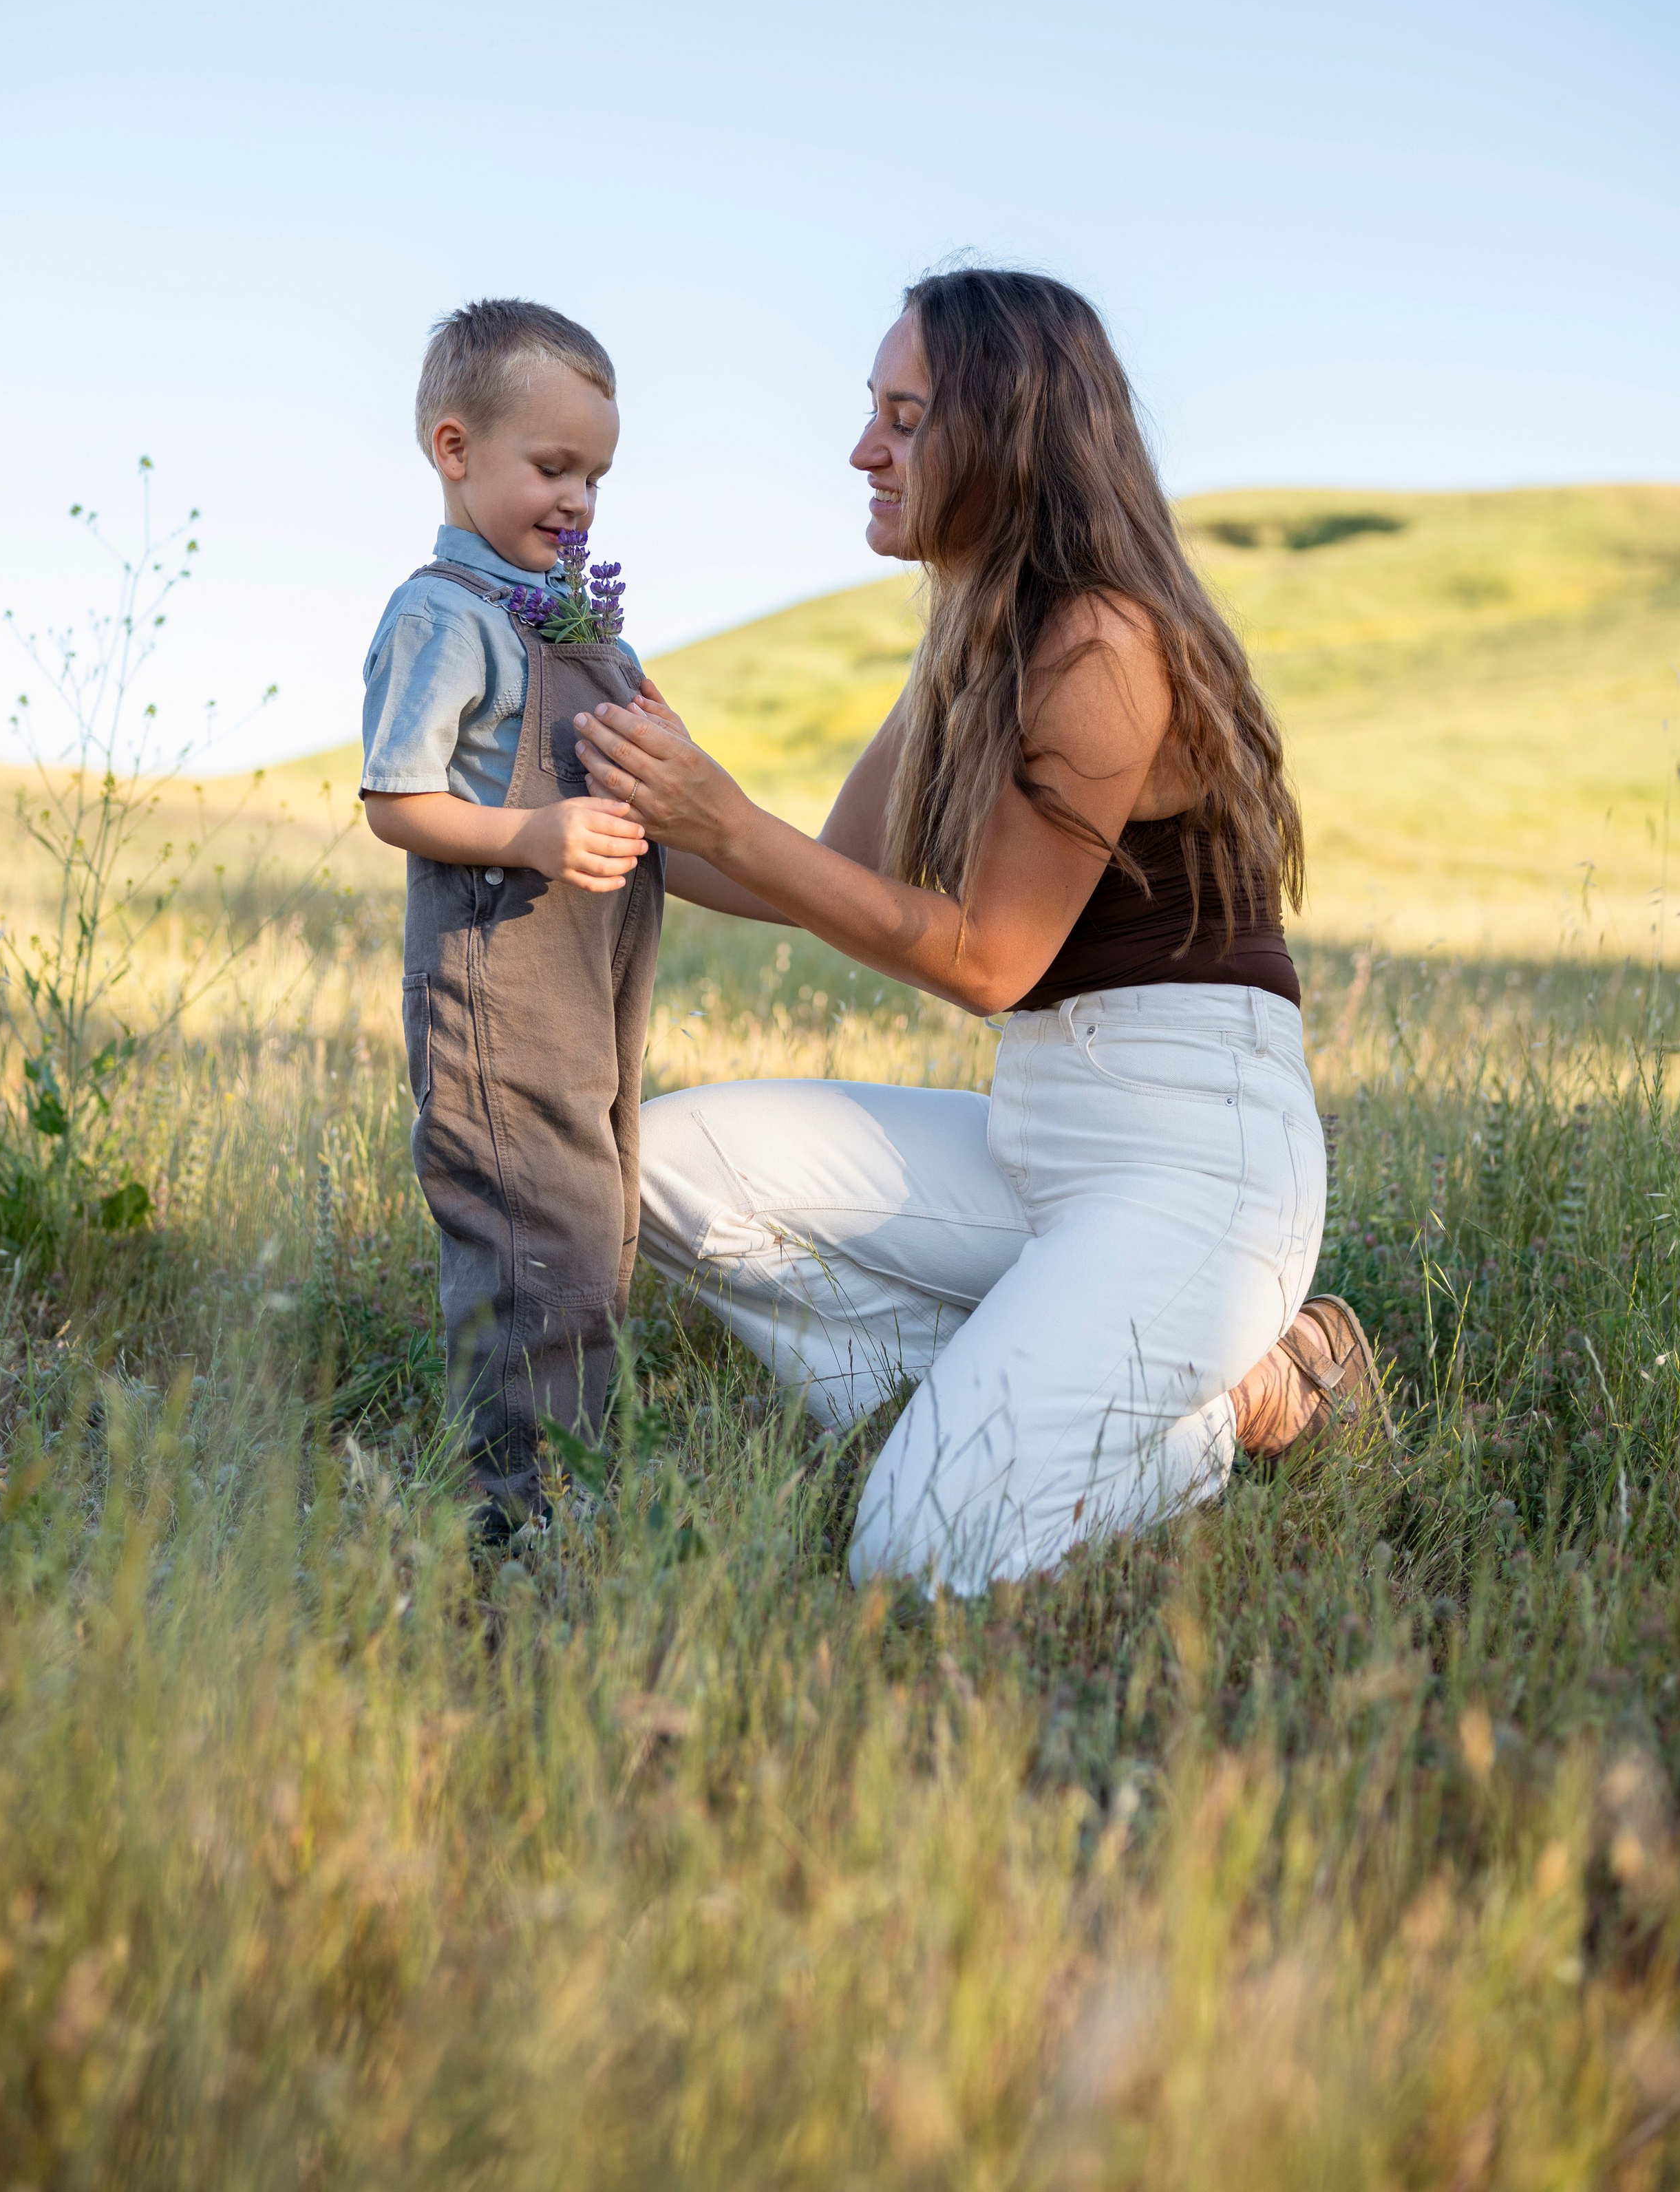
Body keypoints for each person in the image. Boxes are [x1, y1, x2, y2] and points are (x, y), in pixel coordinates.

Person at [574, 268, 1390, 1595]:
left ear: (1006, 435)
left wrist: (722, 818)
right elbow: (823, 875)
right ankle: (1061, 1385)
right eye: (873, 411)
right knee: (666, 1168)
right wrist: (613, 793)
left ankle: (1224, 1415)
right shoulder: (976, 633)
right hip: (1041, 1139)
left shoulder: (1103, 647)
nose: (864, 449)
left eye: (904, 416)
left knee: (915, 1550)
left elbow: (985, 961)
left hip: (1193, 1163)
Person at [360, 299, 659, 1537]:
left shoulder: (577, 621)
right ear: (455, 448)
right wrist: (532, 833)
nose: (579, 498)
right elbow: (396, 799)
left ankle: (570, 1480)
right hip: (498, 983)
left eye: (594, 474)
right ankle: (511, 1514)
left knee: (598, 1225)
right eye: (552, 467)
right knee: (536, 1243)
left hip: (591, 981)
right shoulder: (442, 613)